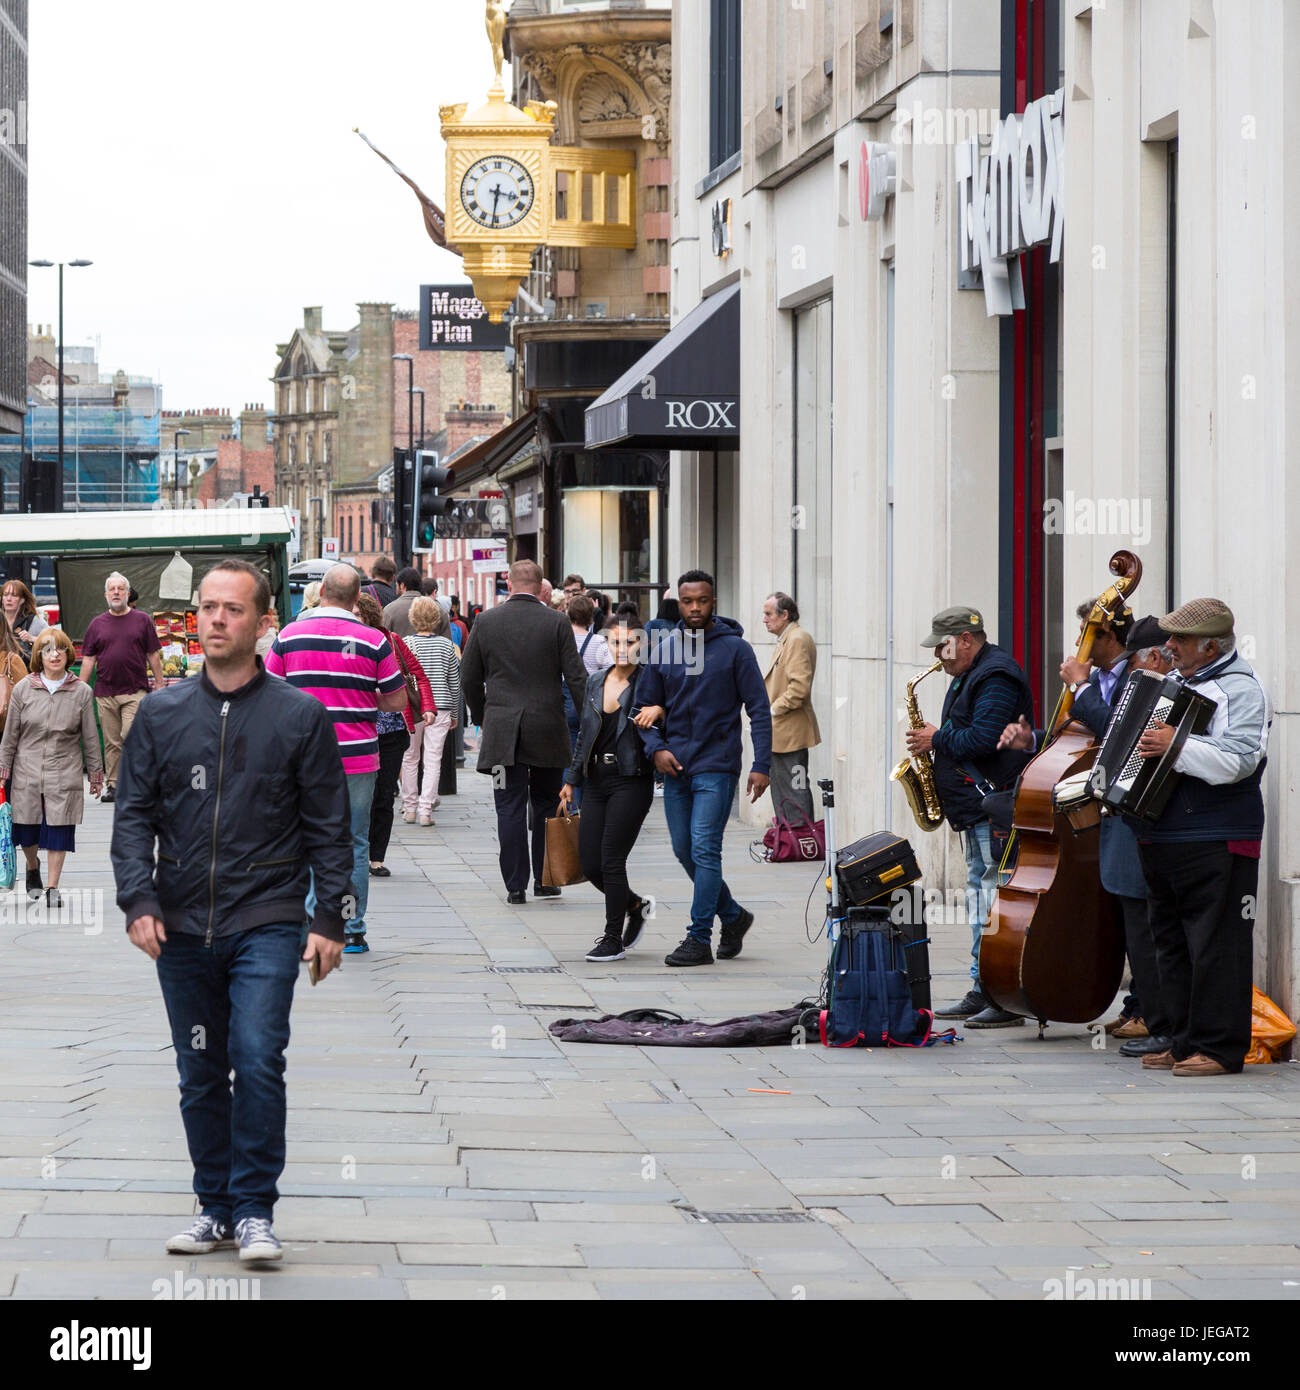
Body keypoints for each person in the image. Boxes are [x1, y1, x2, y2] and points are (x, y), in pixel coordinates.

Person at [111, 559, 353, 1265]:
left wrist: (331, 920)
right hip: (181, 924)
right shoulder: (160, 715)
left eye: (232, 609)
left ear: (262, 622)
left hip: (268, 916)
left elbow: (329, 827)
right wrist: (138, 898)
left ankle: (253, 1210)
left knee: (256, 1055)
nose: (216, 619)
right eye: (208, 607)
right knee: (198, 1069)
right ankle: (213, 1205)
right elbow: (132, 818)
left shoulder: (298, 716)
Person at [998, 607, 1174, 1057]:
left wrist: (1079, 687)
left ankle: (1156, 1018)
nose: (1079, 641)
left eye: (1087, 632)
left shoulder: (1141, 681)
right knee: (1127, 918)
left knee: (1142, 922)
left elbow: (1118, 727)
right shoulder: (1115, 677)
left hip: (1131, 821)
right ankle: (1139, 1005)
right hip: (1100, 816)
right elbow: (1079, 738)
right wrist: (1033, 740)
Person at [1131, 599, 1271, 1077]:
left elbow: (1238, 760)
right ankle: (1182, 1039)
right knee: (1170, 943)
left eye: (1179, 640)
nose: (1168, 646)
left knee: (1217, 945)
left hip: (1218, 834)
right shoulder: (1174, 684)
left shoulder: (1241, 690)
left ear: (1211, 646)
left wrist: (1175, 745)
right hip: (1163, 834)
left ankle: (1219, 1048)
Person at [264, 564, 406, 954]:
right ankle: (351, 927)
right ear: (357, 597)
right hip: (357, 757)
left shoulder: (290, 635)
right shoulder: (373, 640)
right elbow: (396, 700)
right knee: (355, 843)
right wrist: (362, 699)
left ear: (322, 590)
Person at [634, 570, 772, 967]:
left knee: (704, 847)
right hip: (675, 766)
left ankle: (699, 938)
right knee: (683, 849)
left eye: (703, 601)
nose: (695, 608)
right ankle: (733, 916)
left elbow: (758, 709)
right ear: (678, 602)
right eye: (687, 601)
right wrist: (656, 749)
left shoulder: (736, 650)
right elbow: (641, 709)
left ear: (714, 601)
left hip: (717, 765)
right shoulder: (665, 648)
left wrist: (762, 763)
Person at [908, 606, 1034, 1027]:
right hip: (976, 809)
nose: (938, 658)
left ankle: (1003, 995)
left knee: (994, 898)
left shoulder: (995, 675)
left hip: (992, 806)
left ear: (965, 639)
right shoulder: (971, 672)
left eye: (942, 648)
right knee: (981, 895)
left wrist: (936, 737)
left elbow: (985, 738)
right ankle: (982, 987)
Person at [461, 559, 588, 904]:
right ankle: (545, 879)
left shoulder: (485, 622)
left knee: (509, 805)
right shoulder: (558, 622)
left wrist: (482, 714)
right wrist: (592, 721)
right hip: (547, 729)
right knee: (546, 802)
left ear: (509, 582)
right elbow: (576, 678)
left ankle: (515, 885)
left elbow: (468, 677)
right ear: (540, 585)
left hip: (503, 734)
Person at [560, 615, 658, 962]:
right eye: (615, 642)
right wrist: (572, 779)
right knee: (590, 864)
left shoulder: (651, 683)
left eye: (630, 642)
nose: (622, 649)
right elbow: (585, 735)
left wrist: (660, 709)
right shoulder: (595, 681)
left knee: (612, 860)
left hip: (632, 778)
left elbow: (676, 717)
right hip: (595, 780)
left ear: (641, 644)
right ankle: (635, 904)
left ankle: (612, 938)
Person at [0, 628, 103, 907]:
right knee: (27, 829)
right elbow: (10, 734)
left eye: (59, 649)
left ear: (68, 654)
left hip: (65, 768)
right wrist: (3, 767)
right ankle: (32, 866)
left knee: (59, 827)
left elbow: (90, 735)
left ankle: (52, 887)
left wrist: (95, 773)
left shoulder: (81, 691)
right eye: (47, 650)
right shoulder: (24, 688)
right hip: (27, 768)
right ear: (39, 656)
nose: (54, 654)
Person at [354, 592, 435, 874]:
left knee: (383, 793)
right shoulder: (344, 644)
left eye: (358, 616)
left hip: (391, 728)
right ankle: (356, 852)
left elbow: (417, 673)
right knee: (357, 795)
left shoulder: (390, 640)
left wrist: (428, 707)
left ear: (368, 616)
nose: (354, 621)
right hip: (356, 729)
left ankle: (376, 858)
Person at [78, 571, 166, 805]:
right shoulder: (97, 624)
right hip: (105, 692)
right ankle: (114, 786)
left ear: (128, 593)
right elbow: (88, 658)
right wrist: (81, 688)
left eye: (120, 589)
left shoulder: (142, 620)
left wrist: (159, 683)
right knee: (111, 741)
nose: (116, 592)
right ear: (106, 595)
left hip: (135, 691)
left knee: (131, 735)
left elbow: (152, 654)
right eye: (112, 589)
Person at [761, 591, 821, 825]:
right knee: (782, 788)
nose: (764, 619)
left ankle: (800, 838)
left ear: (784, 614)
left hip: (790, 731)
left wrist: (773, 710)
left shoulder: (797, 639)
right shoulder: (789, 638)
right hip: (782, 732)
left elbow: (799, 688)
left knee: (794, 789)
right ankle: (789, 836)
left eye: (768, 614)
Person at [401, 597, 460, 827]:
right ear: (436, 618)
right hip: (442, 705)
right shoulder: (447, 645)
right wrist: (455, 712)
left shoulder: (405, 643)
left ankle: (409, 808)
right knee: (433, 759)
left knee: (410, 757)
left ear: (413, 617)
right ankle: (426, 810)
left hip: (414, 707)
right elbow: (454, 681)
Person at [3, 578, 48, 664]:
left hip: (26, 673)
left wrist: (33, 638)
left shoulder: (33, 621)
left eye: (14, 595)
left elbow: (55, 642)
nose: (9, 599)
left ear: (22, 600)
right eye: (5, 595)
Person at [382, 567, 426, 638]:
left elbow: (383, 640)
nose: (395, 588)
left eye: (396, 585)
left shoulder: (389, 610)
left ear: (402, 586)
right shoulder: (437, 609)